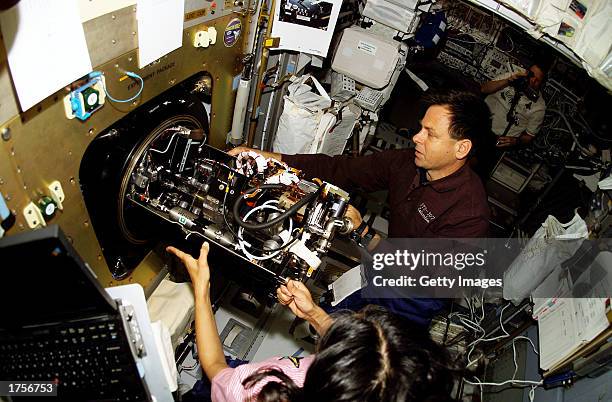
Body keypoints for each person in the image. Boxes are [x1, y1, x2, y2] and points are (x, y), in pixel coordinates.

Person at [228, 89, 491, 326]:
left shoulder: (470, 213)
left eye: (430, 134)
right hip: (384, 261)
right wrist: (273, 160)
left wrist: (364, 234)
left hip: (415, 297)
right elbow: (341, 170)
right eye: (420, 128)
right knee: (330, 313)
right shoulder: (407, 163)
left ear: (461, 148)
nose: (416, 138)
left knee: (361, 351)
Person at [166, 241, 460, 402]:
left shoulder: (258, 393)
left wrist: (201, 289)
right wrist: (313, 314)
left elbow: (215, 367)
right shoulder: (383, 381)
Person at [481, 64, 547, 148]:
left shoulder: (539, 107)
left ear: (542, 84)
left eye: (537, 80)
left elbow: (529, 136)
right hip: (479, 122)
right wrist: (508, 81)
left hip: (496, 140)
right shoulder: (510, 77)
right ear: (526, 72)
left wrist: (516, 141)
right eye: (531, 75)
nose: (532, 80)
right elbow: (484, 89)